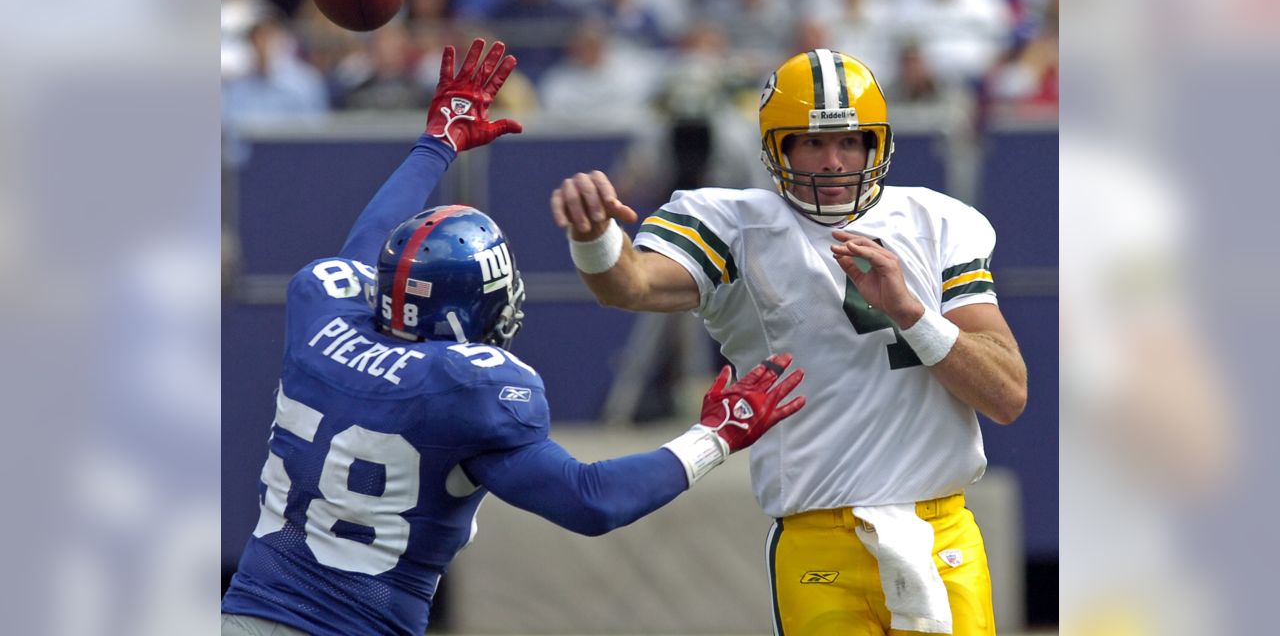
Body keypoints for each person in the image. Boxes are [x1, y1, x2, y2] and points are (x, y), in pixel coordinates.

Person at [220, 38, 807, 636]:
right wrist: (717, 435)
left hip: (243, 614)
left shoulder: (322, 312)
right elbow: (591, 499)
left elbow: (367, 242)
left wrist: (437, 143)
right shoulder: (466, 391)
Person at [550, 48, 1028, 636]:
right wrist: (595, 238)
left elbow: (1006, 394)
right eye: (810, 143)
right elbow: (631, 285)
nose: (832, 161)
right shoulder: (737, 225)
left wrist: (909, 312)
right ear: (777, 149)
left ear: (876, 145)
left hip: (941, 530)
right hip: (818, 539)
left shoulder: (938, 222)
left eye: (850, 142)